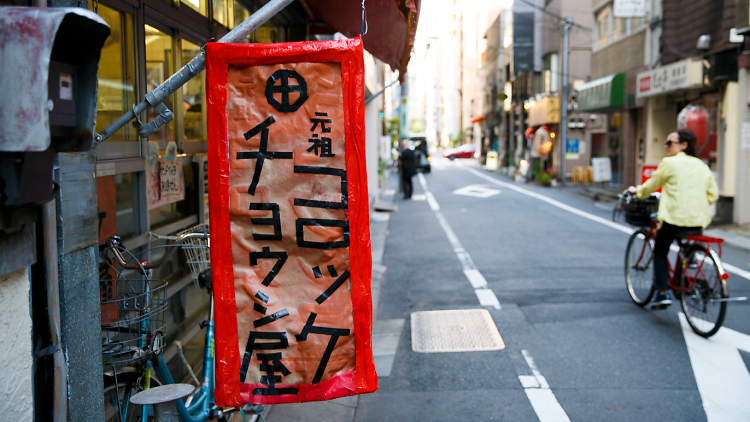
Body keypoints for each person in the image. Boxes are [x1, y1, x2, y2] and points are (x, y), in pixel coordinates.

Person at [627, 128, 719, 310]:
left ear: (684, 145)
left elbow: (650, 186)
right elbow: (713, 194)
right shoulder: (702, 165)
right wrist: (697, 204)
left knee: (660, 253)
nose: (666, 146)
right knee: (686, 252)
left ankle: (662, 293)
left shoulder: (670, 163)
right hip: (697, 221)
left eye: (670, 143)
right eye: (665, 143)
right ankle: (685, 282)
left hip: (674, 220)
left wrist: (637, 191)